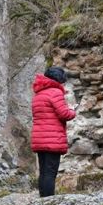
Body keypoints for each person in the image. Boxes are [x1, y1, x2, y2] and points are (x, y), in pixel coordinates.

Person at [31, 66, 76, 197]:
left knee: (44, 172)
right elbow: (64, 114)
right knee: (51, 172)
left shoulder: (38, 94)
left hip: (39, 138)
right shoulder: (55, 92)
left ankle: (42, 199)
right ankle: (49, 201)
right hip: (52, 139)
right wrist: (72, 111)